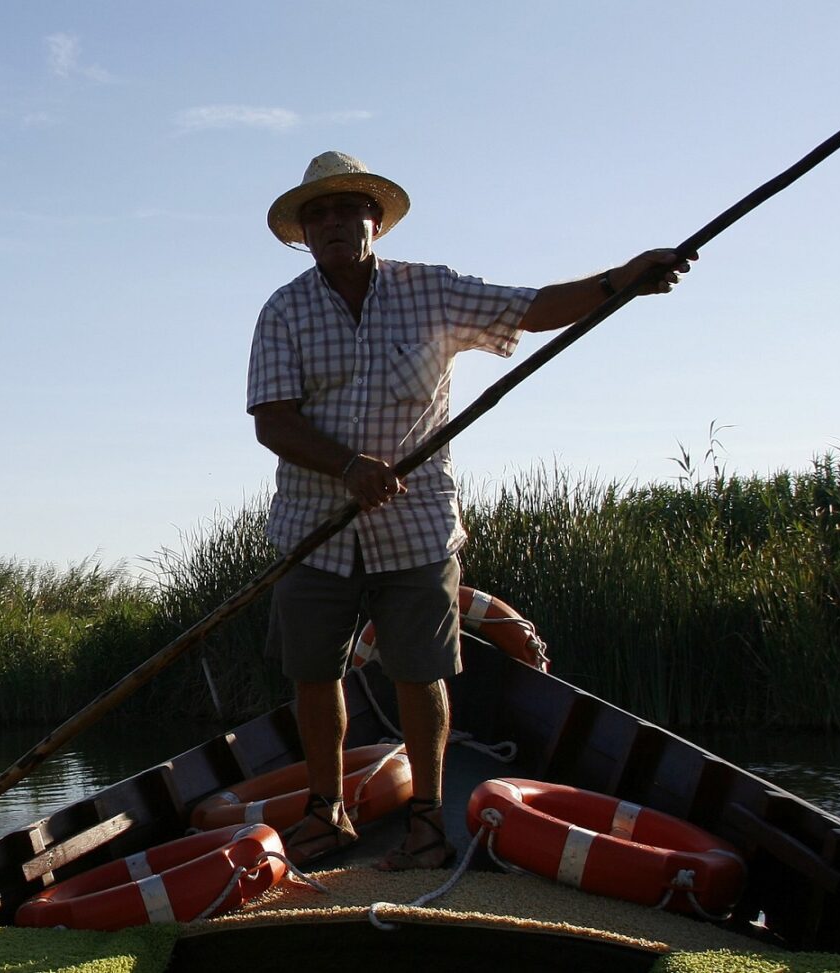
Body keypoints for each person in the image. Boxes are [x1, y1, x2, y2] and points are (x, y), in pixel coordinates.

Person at [245, 151, 692, 870]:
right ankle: (327, 812)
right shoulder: (284, 310)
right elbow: (273, 420)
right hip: (313, 529)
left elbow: (532, 307)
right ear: (304, 231)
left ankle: (427, 817)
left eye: (345, 208)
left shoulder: (434, 291)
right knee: (313, 673)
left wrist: (621, 281)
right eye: (316, 213)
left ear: (374, 220)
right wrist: (349, 467)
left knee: (421, 673)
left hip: (416, 526)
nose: (330, 222)